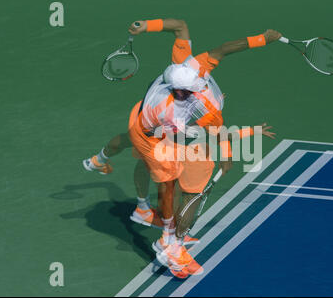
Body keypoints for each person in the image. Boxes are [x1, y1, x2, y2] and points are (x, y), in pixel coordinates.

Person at [83, 18, 280, 278]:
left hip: (142, 113)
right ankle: (167, 242)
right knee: (169, 182)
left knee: (131, 142)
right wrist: (228, 154)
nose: (192, 93)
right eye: (187, 93)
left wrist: (262, 38)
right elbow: (209, 132)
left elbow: (188, 30)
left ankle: (101, 162)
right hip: (151, 135)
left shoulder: (189, 64)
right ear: (179, 91)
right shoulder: (173, 113)